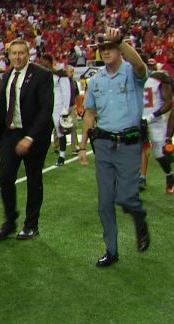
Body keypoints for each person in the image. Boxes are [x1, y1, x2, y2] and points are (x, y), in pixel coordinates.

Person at [78, 27, 150, 267]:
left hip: (128, 143)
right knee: (105, 201)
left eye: (110, 47)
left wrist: (121, 41)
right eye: (103, 48)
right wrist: (81, 145)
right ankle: (111, 249)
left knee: (127, 197)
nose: (106, 52)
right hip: (105, 144)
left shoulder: (132, 72)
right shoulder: (96, 80)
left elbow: (141, 66)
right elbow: (89, 113)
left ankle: (139, 217)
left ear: (119, 50)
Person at [0, 39, 54, 241]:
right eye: (13, 53)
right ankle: (9, 221)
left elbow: (45, 110)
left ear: (28, 54)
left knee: (34, 179)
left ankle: (31, 225)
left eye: (21, 53)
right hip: (11, 133)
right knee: (5, 177)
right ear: (8, 55)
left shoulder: (42, 75)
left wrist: (30, 137)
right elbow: (0, 107)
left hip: (35, 134)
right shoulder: (7, 75)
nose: (17, 57)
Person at [139, 68, 173, 193]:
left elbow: (169, 102)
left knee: (160, 155)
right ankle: (140, 177)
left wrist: (151, 116)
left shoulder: (158, 79)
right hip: (138, 119)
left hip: (155, 120)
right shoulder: (133, 79)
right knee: (135, 149)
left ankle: (169, 174)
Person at [39, 54, 71, 167]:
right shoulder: (42, 75)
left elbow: (66, 92)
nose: (41, 63)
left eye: (43, 61)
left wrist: (65, 110)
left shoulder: (60, 74)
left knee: (60, 132)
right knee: (43, 134)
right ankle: (41, 157)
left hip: (58, 107)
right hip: (46, 108)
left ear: (48, 61)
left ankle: (62, 156)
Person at [65, 65, 83, 154]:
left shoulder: (74, 83)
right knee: (58, 127)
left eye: (73, 72)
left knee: (74, 126)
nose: (72, 73)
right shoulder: (61, 82)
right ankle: (57, 145)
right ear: (66, 72)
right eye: (71, 71)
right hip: (62, 107)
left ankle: (75, 147)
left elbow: (77, 95)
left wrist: (81, 106)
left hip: (72, 106)